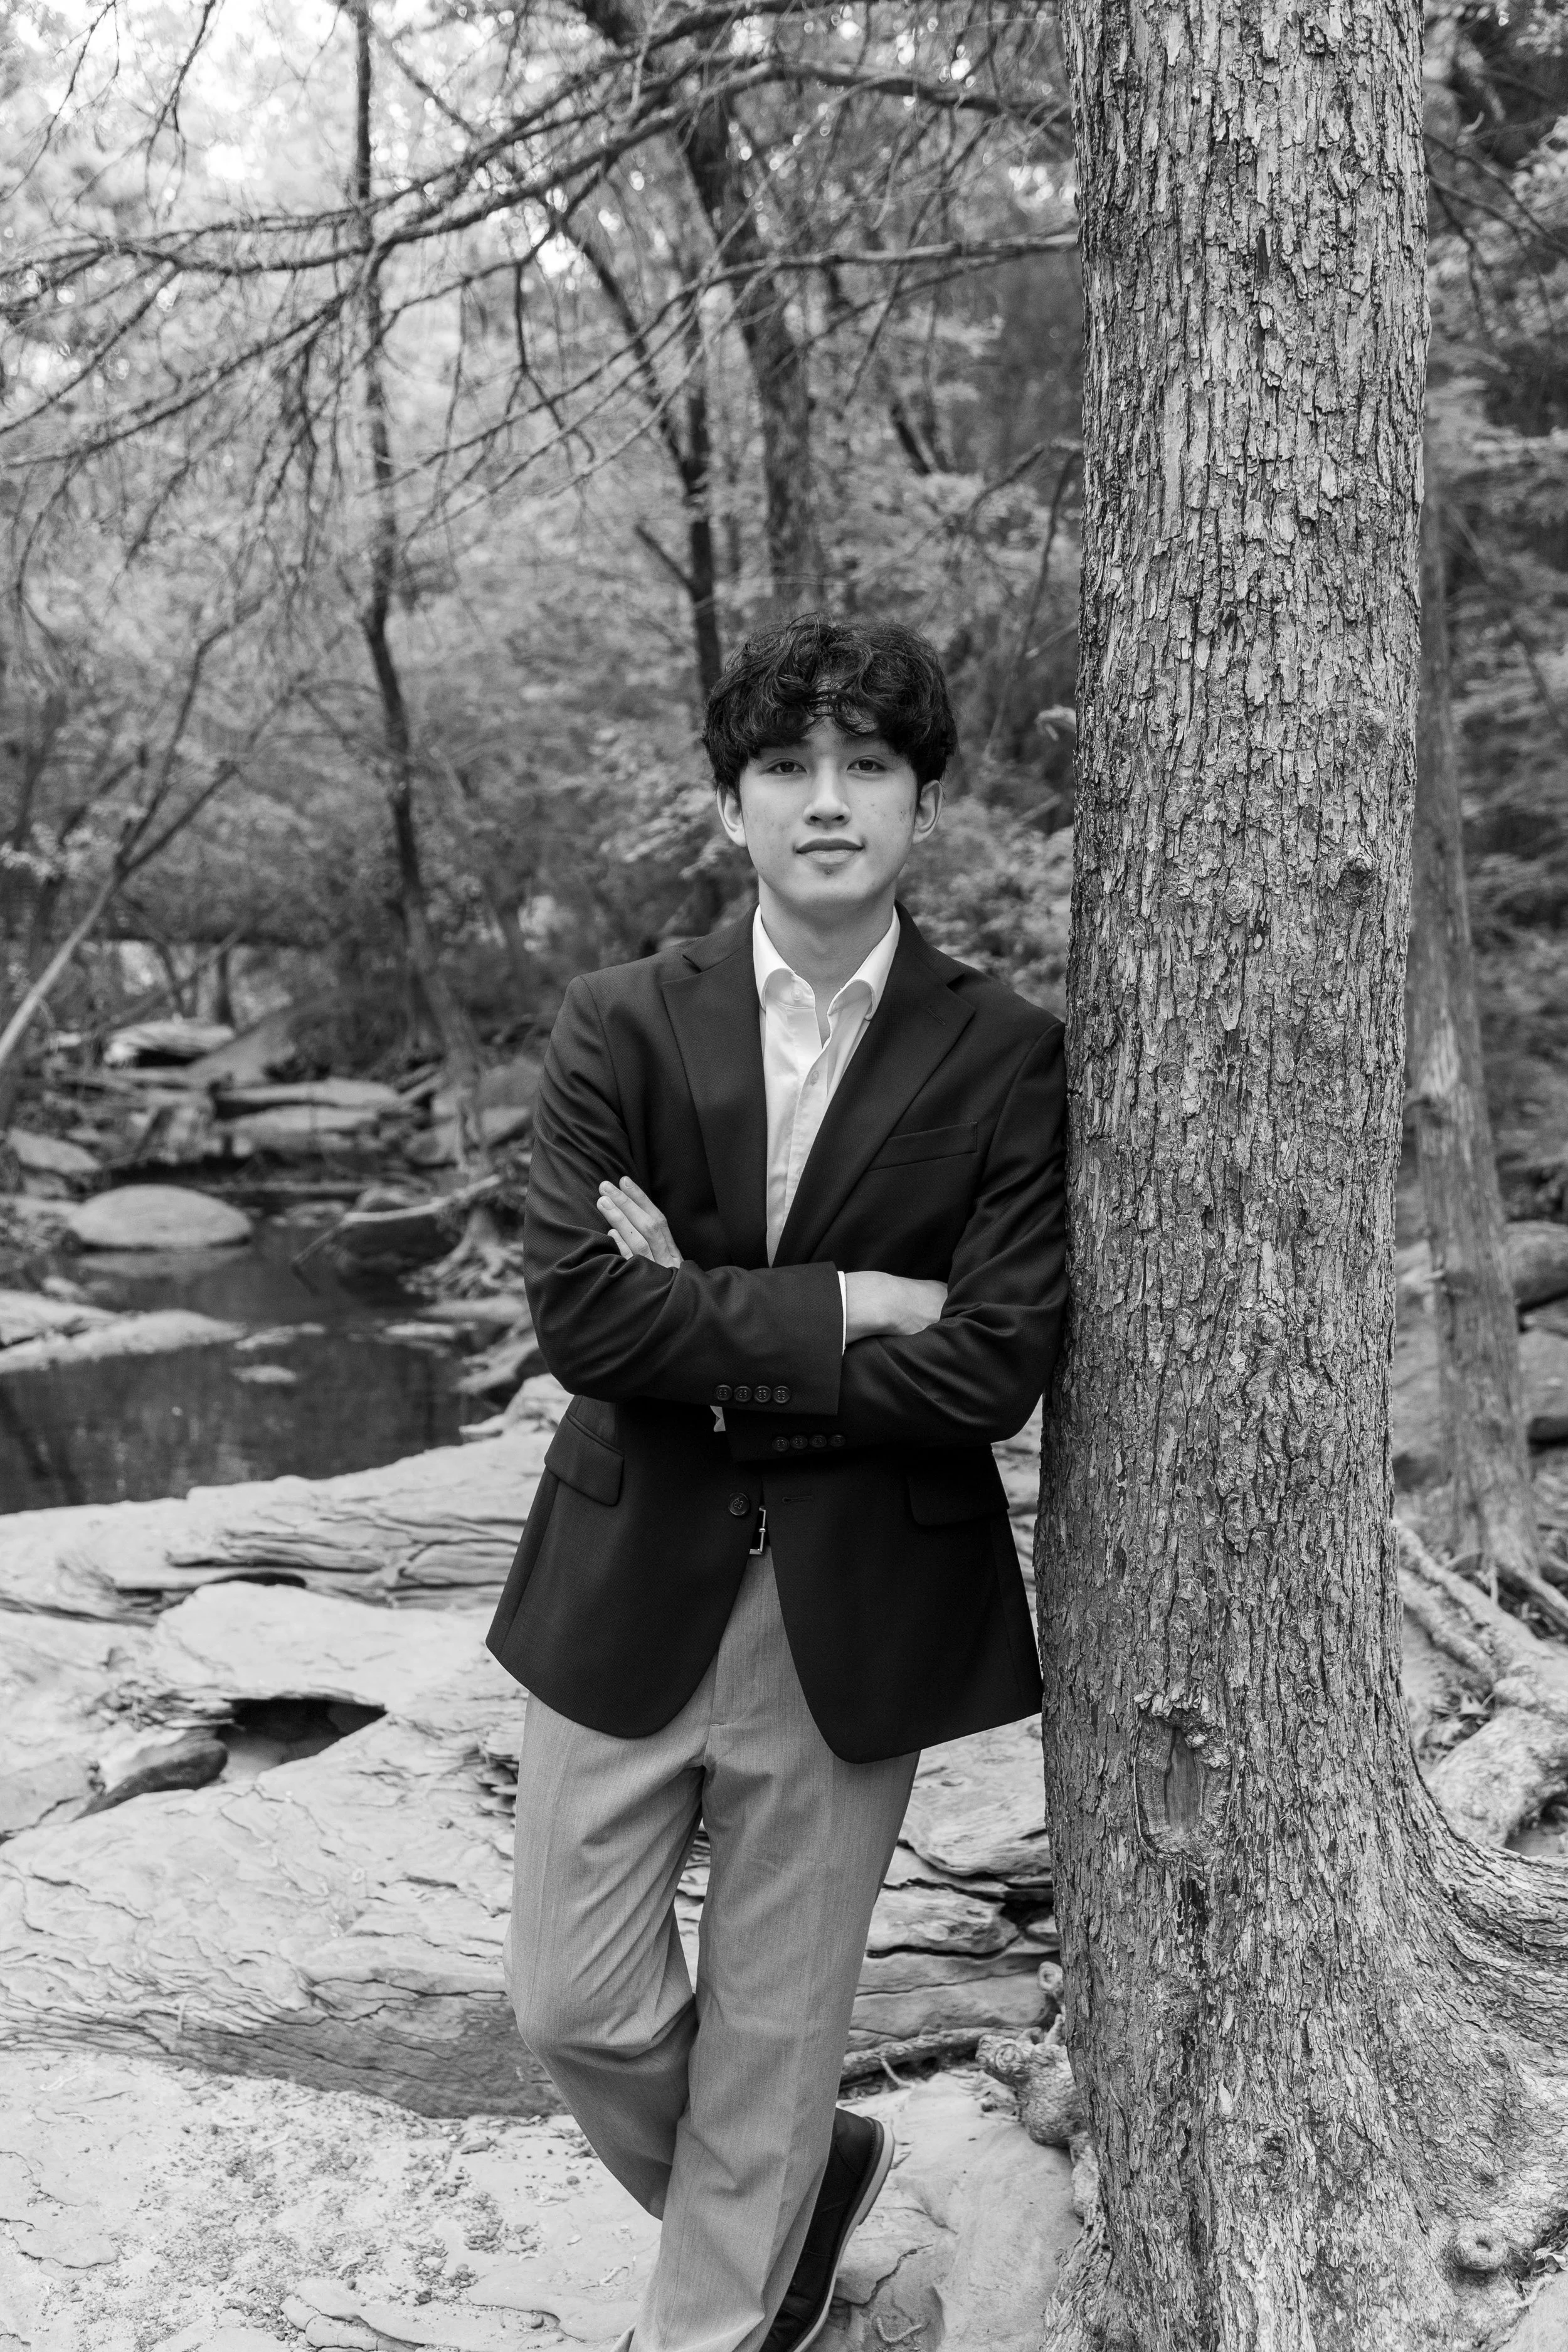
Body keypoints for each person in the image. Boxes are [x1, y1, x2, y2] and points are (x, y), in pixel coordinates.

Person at [487, 612, 1068, 2352]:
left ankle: (716, 2319)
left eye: (868, 766)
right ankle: (799, 2185)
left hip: (859, 1596)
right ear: (728, 804)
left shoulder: (1003, 1052)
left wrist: (707, 1322)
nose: (828, 801)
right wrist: (840, 1307)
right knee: (571, 2005)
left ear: (921, 804)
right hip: (627, 1572)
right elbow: (586, 1316)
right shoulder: (619, 1024)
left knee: (768, 2027)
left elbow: (994, 1361)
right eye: (786, 768)